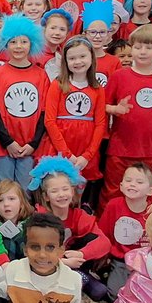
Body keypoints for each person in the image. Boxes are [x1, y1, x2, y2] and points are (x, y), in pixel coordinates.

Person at [102, 24, 152, 203]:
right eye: (137, 47)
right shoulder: (119, 76)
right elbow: (101, 106)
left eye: (149, 47)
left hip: (151, 152)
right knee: (113, 194)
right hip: (119, 150)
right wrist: (115, 109)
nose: (143, 52)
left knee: (146, 196)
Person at [29, 157, 109, 302]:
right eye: (55, 191)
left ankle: (80, 277)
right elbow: (35, 252)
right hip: (47, 265)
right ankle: (70, 280)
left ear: (72, 191)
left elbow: (104, 242)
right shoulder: (40, 218)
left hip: (74, 261)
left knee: (100, 292)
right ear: (46, 196)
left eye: (65, 189)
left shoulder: (79, 215)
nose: (61, 195)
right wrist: (63, 262)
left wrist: (81, 254)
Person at [0, 14, 52, 189]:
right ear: (6, 44)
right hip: (3, 146)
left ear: (32, 44)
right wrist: (8, 142)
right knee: (3, 190)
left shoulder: (41, 75)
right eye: (13, 42)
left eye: (24, 42)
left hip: (30, 146)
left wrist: (33, 143)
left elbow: (45, 113)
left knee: (26, 190)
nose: (18, 46)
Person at [46, 37, 107, 196]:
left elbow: (100, 123)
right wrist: (67, 155)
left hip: (86, 148)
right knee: (59, 187)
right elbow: (50, 121)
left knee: (79, 191)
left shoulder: (97, 88)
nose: (78, 61)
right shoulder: (58, 85)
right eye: (72, 58)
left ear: (91, 58)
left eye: (82, 56)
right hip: (61, 147)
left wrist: (87, 155)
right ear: (65, 61)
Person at [98, 163, 152, 298]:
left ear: (150, 191)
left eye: (139, 182)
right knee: (116, 294)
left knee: (148, 294)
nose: (132, 184)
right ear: (121, 186)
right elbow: (103, 233)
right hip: (120, 260)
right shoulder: (114, 205)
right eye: (128, 180)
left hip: (146, 262)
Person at [0, 180, 33, 266]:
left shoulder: (31, 221)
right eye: (0, 200)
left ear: (21, 203)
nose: (6, 204)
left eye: (11, 199)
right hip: (2, 266)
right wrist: (6, 266)